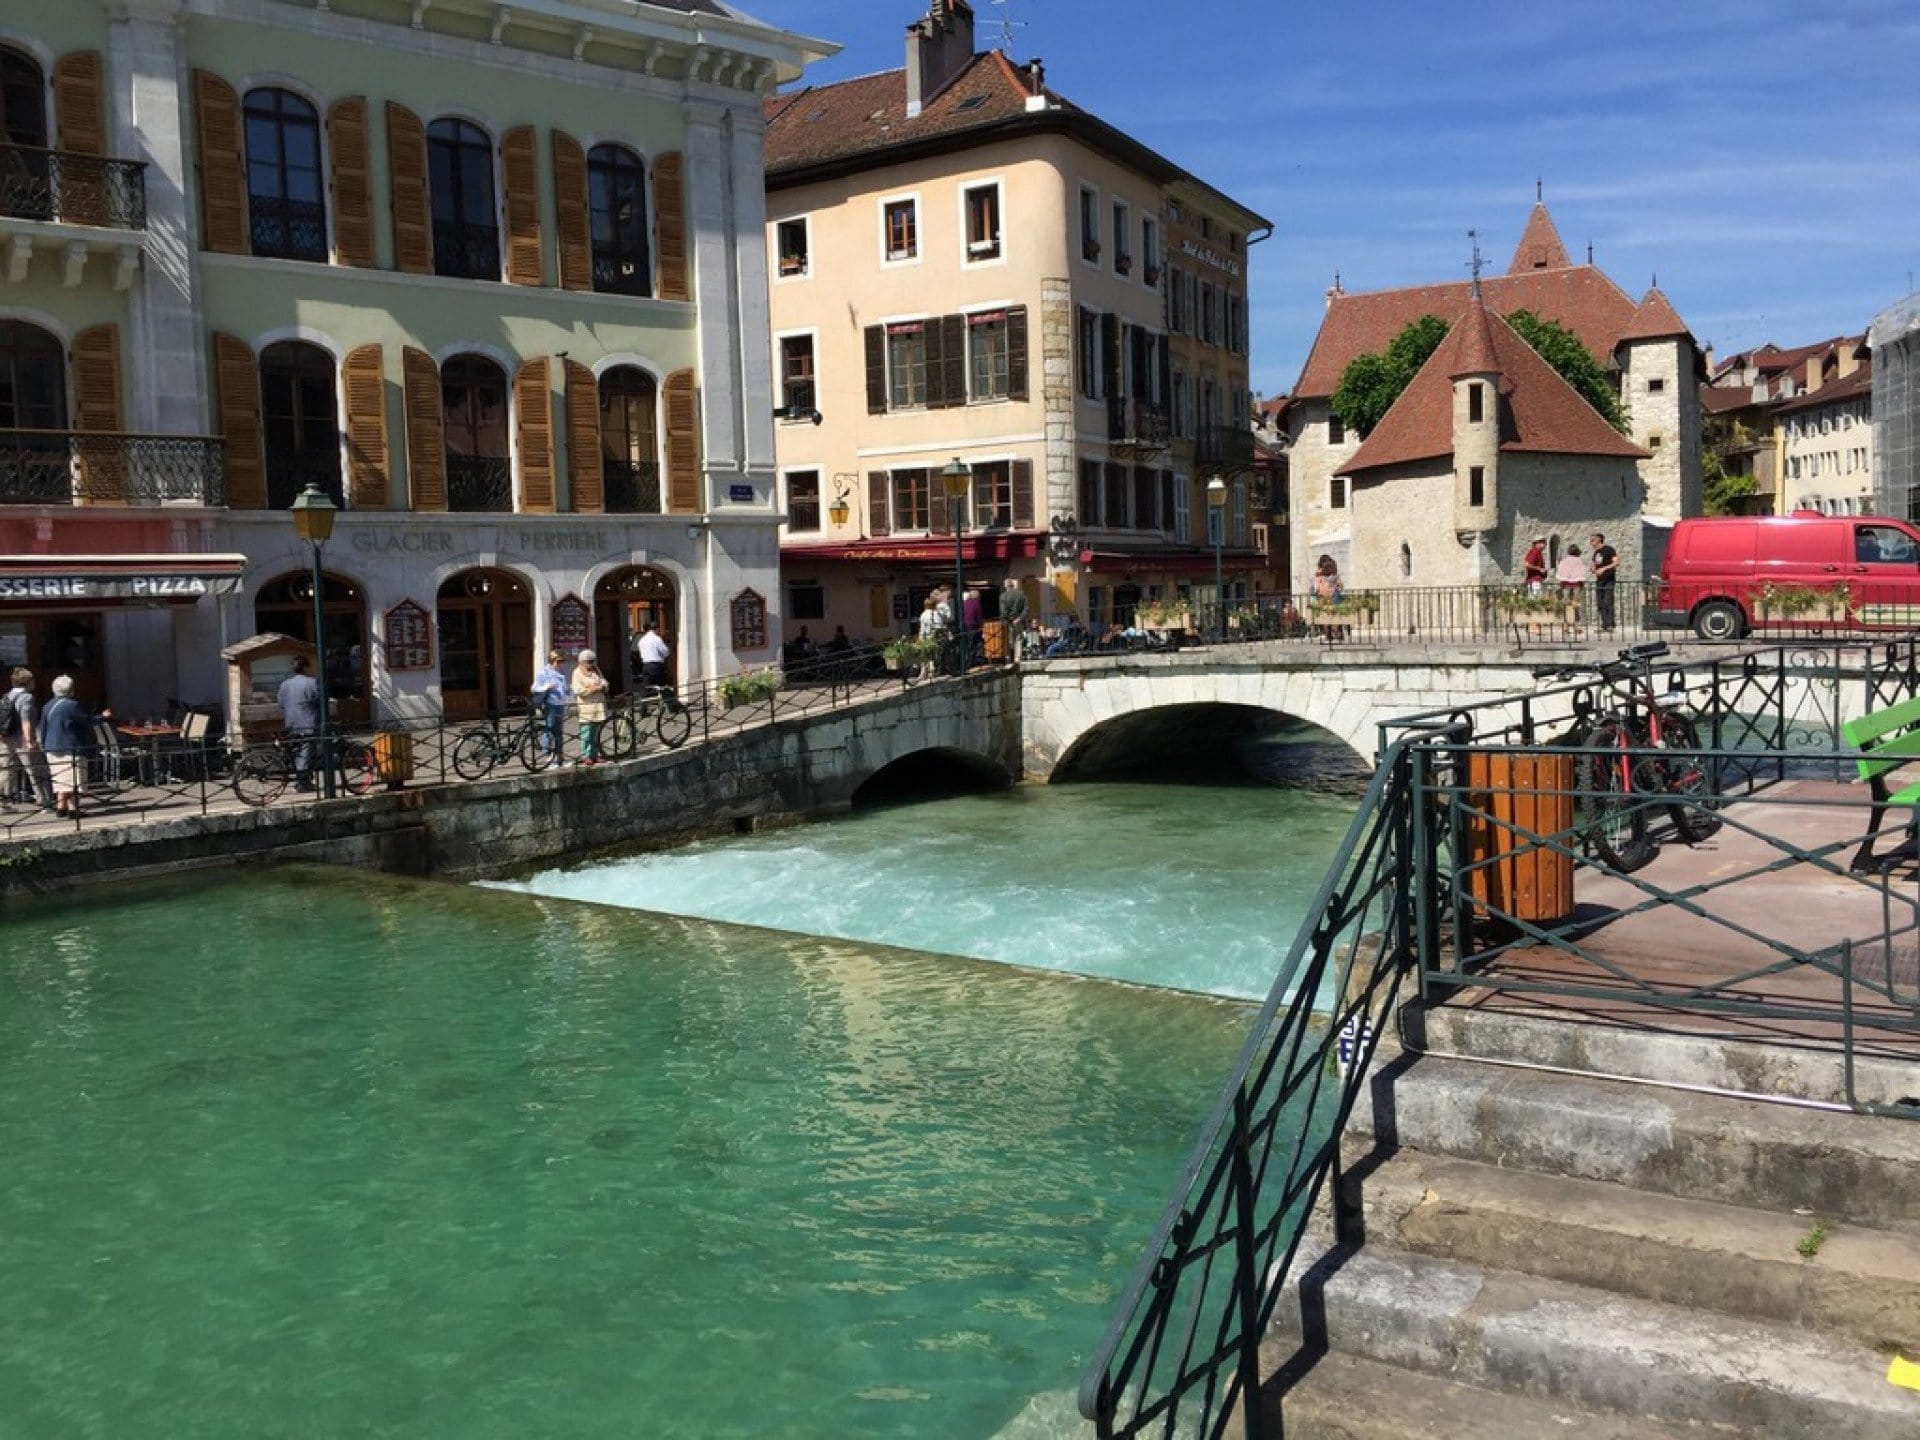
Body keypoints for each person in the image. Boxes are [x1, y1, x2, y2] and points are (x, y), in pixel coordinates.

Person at [39, 675, 110, 817]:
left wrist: (44, 744)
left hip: (52, 747)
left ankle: (61, 807)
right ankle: (73, 809)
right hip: (70, 748)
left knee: (60, 779)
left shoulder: (47, 706)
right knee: (73, 780)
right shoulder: (72, 705)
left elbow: (43, 728)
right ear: (71, 689)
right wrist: (103, 717)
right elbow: (87, 721)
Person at [2, 668, 51, 810]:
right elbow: (26, 720)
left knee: (6, 770)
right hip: (22, 739)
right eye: (33, 680)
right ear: (28, 682)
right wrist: (29, 740)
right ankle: (45, 801)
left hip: (6, 738)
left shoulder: (7, 696)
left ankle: (3, 802)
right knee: (36, 769)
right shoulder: (27, 698)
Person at [277, 655, 323, 791]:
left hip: (291, 723)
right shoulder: (313, 682)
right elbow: (320, 701)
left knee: (298, 752)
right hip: (308, 723)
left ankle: (302, 780)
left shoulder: (285, 684)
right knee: (306, 753)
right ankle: (303, 783)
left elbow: (281, 704)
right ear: (306, 667)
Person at [530, 649, 571, 766]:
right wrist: (546, 686)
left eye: (562, 661)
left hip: (560, 704)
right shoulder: (544, 672)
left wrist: (568, 689)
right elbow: (534, 688)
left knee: (559, 731)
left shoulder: (561, 672)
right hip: (550, 704)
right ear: (552, 661)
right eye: (559, 661)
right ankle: (547, 757)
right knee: (549, 729)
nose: (561, 664)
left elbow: (564, 688)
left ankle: (560, 757)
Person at [571, 649, 610, 765]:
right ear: (582, 662)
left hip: (598, 707)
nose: (591, 664)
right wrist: (591, 689)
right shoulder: (577, 672)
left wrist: (603, 686)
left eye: (592, 661)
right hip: (586, 708)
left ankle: (595, 754)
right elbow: (577, 689)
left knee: (596, 732)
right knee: (586, 732)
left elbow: (605, 682)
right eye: (589, 662)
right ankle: (586, 755)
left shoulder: (596, 670)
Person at [1590, 531, 1619, 632]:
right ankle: (1604, 624)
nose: (1591, 543)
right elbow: (1594, 563)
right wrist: (1593, 568)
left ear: (1599, 540)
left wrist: (1604, 569)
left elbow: (1616, 562)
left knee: (1608, 602)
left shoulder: (1609, 550)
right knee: (1600, 603)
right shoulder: (1596, 552)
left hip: (1609, 580)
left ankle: (1610, 624)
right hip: (1599, 581)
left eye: (1592, 540)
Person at [999, 578, 1029, 659]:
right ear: (1013, 585)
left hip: (1009, 623)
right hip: (1019, 621)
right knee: (1018, 640)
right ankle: (1017, 659)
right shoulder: (1021, 594)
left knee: (1008, 641)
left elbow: (1003, 612)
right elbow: (1026, 608)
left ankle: (1009, 659)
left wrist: (1009, 620)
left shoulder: (1003, 596)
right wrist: (1019, 618)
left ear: (1005, 586)